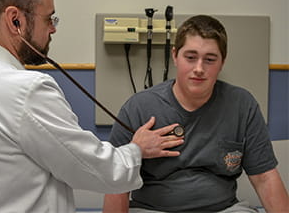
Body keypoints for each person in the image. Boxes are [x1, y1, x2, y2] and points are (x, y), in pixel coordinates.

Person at [0, 0, 185, 212]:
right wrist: (137, 149)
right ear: (14, 20)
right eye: (49, 18)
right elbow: (97, 169)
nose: (53, 28)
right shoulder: (26, 91)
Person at [103, 15, 289, 213]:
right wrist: (136, 149)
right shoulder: (139, 107)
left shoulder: (242, 106)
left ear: (222, 62)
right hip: (152, 209)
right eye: (190, 58)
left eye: (209, 60)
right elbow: (117, 181)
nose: (199, 69)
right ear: (175, 56)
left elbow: (265, 178)